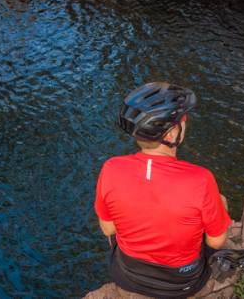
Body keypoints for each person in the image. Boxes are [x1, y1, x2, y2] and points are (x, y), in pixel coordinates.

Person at [95, 82, 231, 298]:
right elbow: (216, 241)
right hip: (182, 283)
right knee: (219, 203)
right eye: (184, 120)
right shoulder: (201, 179)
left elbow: (108, 230)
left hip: (128, 275)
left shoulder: (111, 168)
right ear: (171, 133)